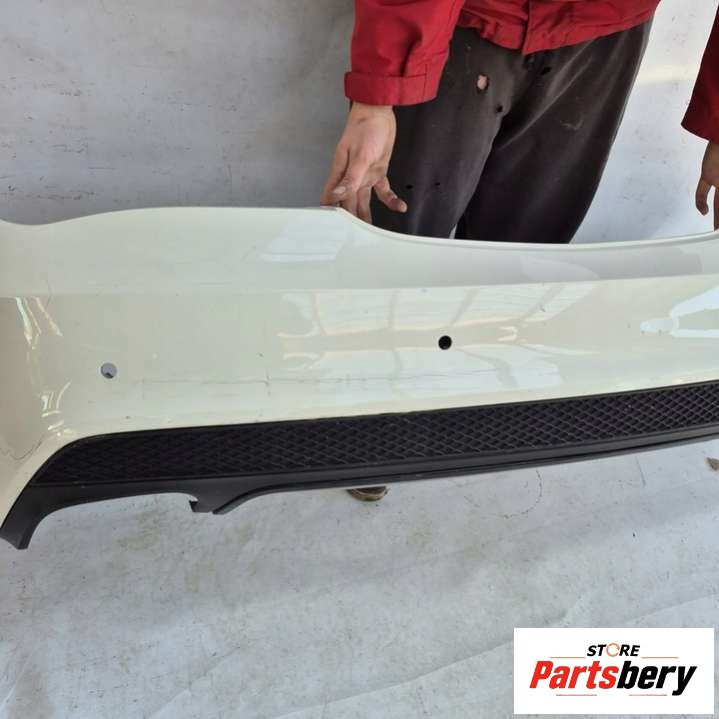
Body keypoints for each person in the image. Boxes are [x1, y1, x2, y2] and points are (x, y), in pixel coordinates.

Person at [324, 2, 719, 503]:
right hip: (459, 22)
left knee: (528, 253)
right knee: (397, 240)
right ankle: (374, 424)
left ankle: (475, 403)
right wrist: (381, 91)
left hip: (606, 32)